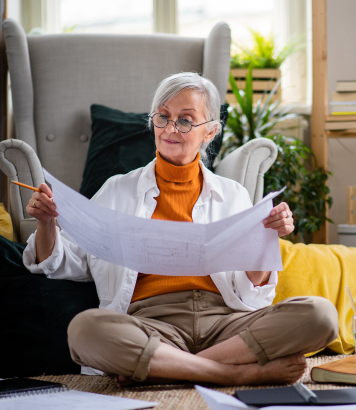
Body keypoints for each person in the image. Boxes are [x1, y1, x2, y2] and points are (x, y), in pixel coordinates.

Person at [23, 72, 338, 386]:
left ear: (210, 132)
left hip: (227, 326)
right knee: (84, 330)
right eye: (163, 117)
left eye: (185, 120)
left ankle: (164, 368)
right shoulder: (117, 190)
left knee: (320, 315)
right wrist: (47, 222)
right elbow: (63, 263)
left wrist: (264, 240)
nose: (170, 128)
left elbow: (253, 294)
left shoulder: (234, 195)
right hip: (152, 327)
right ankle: (233, 372)